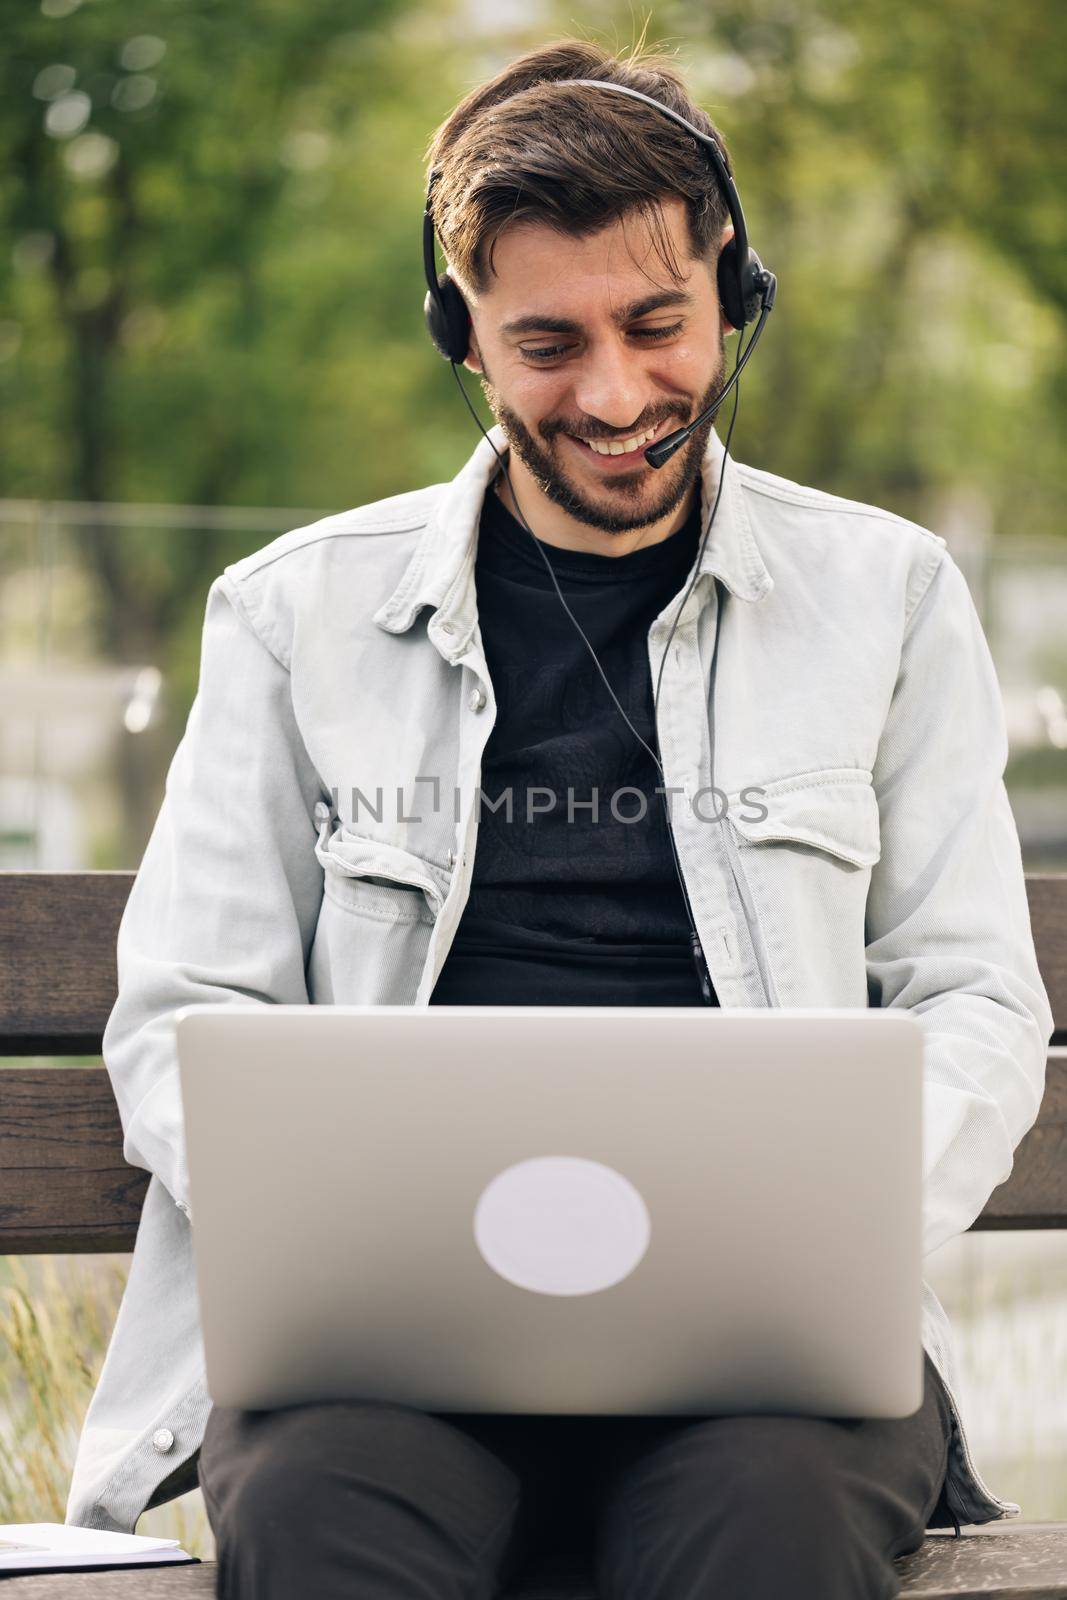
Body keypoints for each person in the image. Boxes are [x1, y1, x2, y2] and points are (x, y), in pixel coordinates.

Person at [65, 35, 1053, 1600]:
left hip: (774, 1364)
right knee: (320, 1520)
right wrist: (339, 1228)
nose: (615, 394)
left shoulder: (891, 596)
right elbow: (185, 1011)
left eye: (659, 324)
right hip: (385, 1358)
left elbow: (977, 996)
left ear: (734, 289)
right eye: (547, 344)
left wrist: (836, 1234)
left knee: (767, 1533)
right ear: (463, 337)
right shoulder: (291, 614)